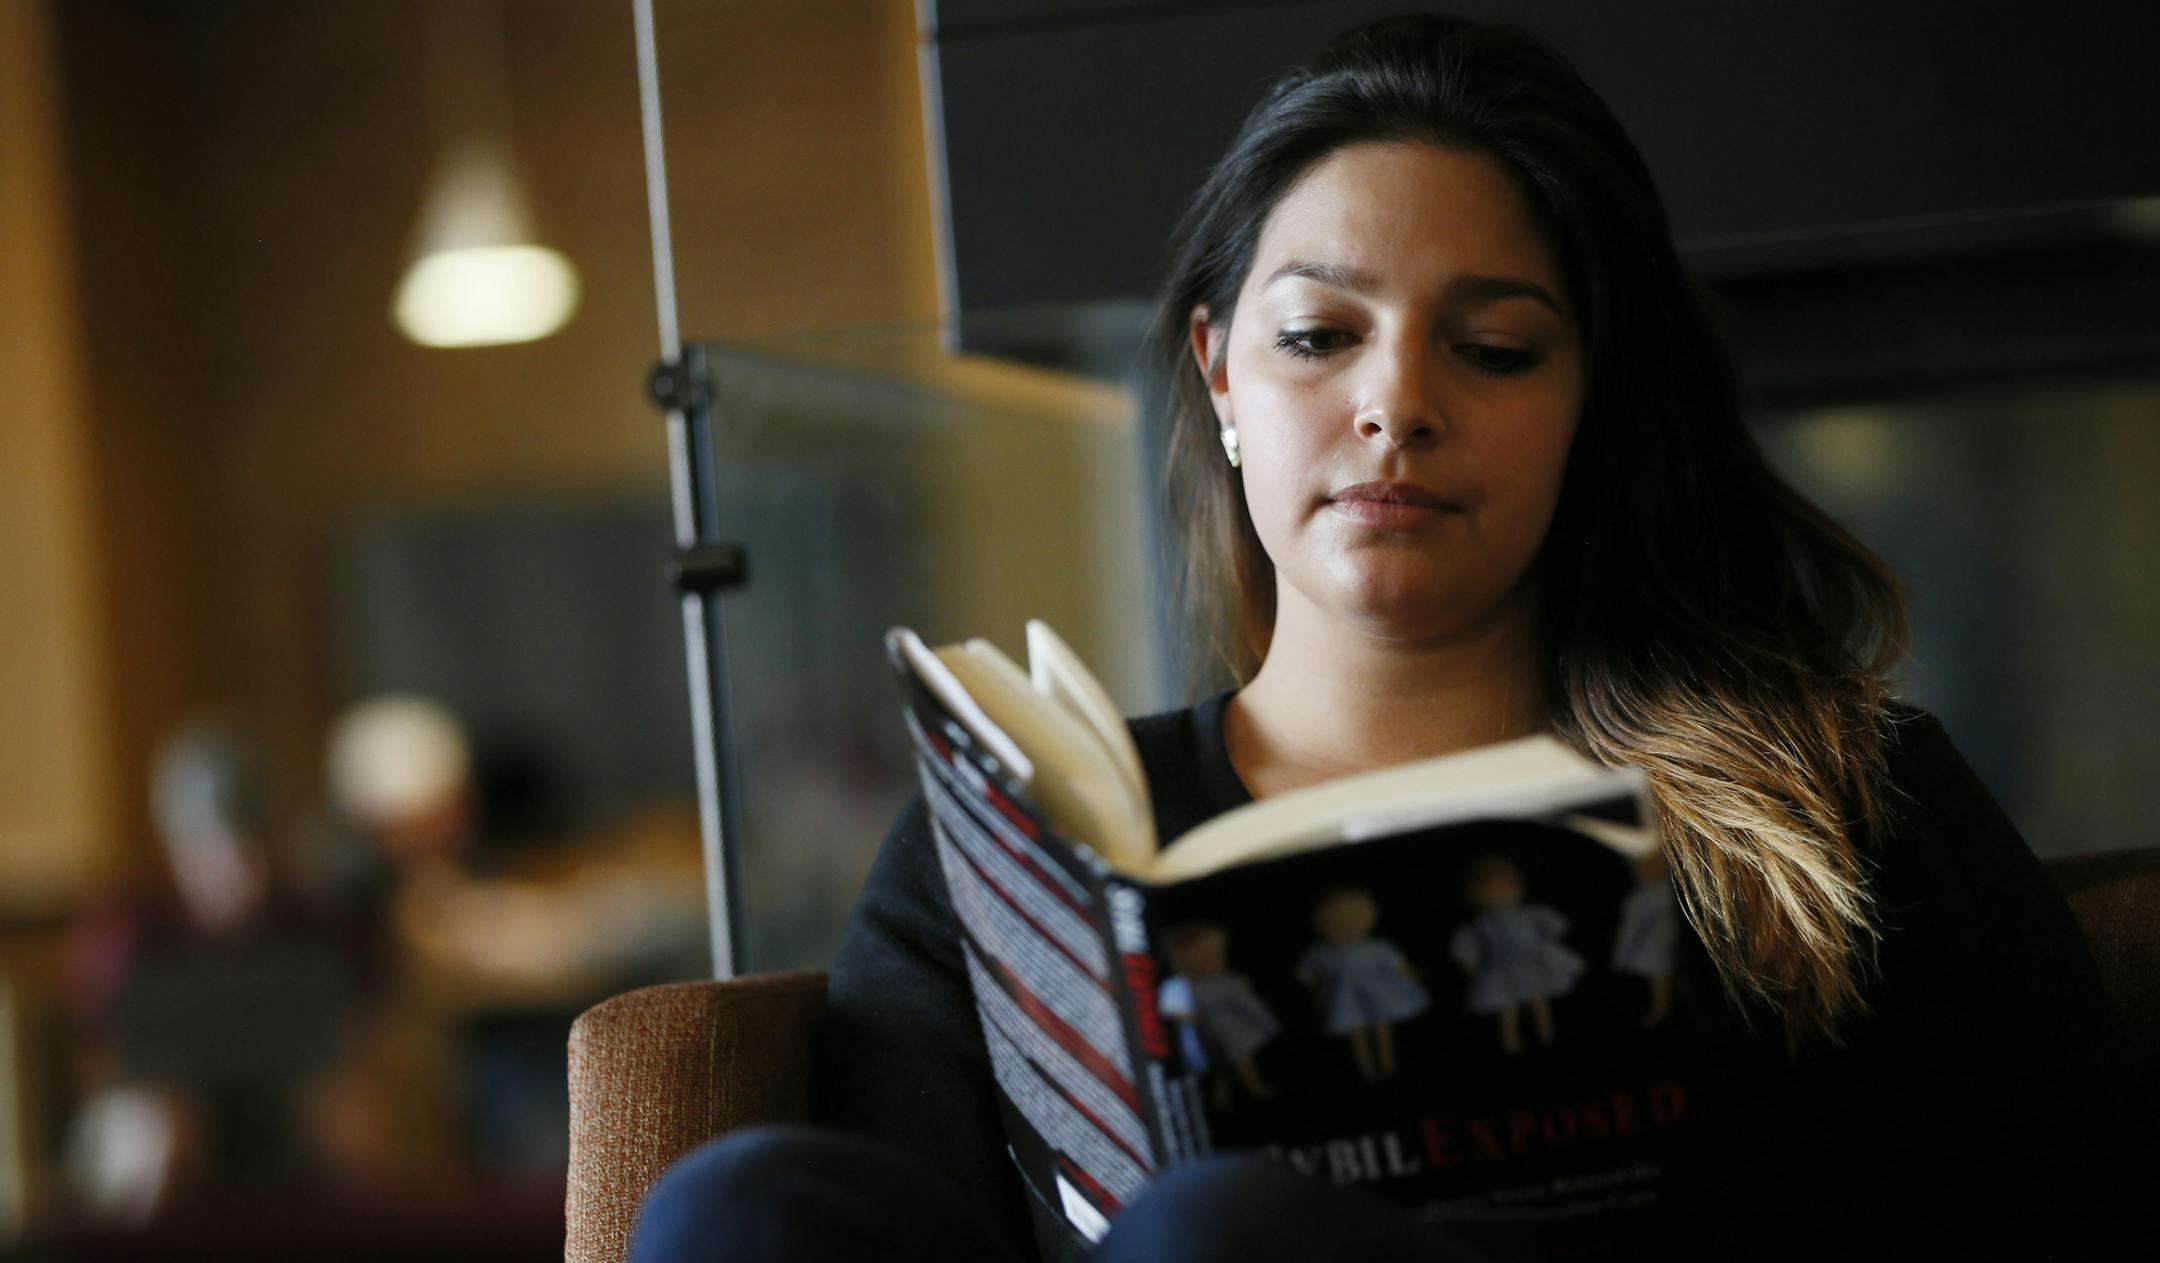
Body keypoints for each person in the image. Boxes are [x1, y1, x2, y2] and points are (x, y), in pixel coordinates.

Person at [630, 13, 2144, 1262]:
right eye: (1319, 335)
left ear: (1592, 400)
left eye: (1494, 348)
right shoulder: (1004, 859)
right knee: (731, 1203)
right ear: (1221, 374)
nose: (1398, 405)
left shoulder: (1842, 809)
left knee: (1215, 1236)